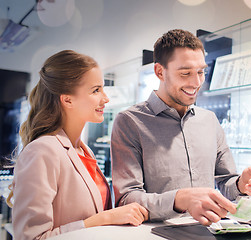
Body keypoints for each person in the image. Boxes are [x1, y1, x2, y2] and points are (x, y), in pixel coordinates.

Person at [111, 29, 251, 226]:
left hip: (210, 232)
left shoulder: (209, 120)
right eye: (185, 73)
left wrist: (242, 184)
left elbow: (226, 182)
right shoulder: (129, 121)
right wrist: (180, 199)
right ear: (160, 72)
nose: (196, 83)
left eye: (200, 72)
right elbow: (127, 199)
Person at [11, 50, 148, 240]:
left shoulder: (83, 150)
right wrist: (105, 218)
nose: (106, 98)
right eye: (96, 90)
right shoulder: (42, 151)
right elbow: (32, 237)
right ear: (67, 99)